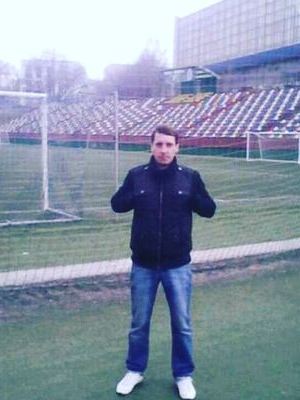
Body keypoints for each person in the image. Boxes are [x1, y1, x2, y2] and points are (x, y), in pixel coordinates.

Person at [111, 125, 216, 399]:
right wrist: (132, 194)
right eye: (159, 144)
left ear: (177, 147)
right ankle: (135, 370)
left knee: (181, 324)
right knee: (139, 324)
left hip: (177, 265)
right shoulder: (137, 175)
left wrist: (195, 197)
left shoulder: (190, 177)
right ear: (151, 146)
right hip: (143, 265)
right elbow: (117, 205)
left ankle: (183, 375)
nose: (164, 150)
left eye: (169, 145)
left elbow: (209, 210)